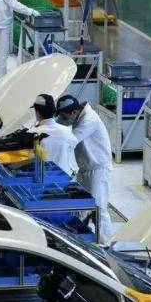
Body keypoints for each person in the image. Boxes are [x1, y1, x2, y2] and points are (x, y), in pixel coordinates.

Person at [56, 94, 113, 242]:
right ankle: (79, 242)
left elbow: (71, 140)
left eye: (64, 116)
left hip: (98, 171)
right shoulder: (78, 117)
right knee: (80, 206)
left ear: (74, 112)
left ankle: (106, 245)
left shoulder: (89, 120)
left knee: (99, 210)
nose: (63, 119)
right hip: (85, 169)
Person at [29, 94, 78, 176]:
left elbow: (29, 159)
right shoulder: (67, 131)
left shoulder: (33, 133)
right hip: (65, 179)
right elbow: (74, 144)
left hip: (43, 179)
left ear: (37, 113)